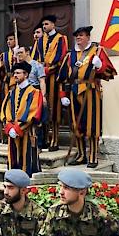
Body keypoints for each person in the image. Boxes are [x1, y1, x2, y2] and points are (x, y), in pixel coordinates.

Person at [59, 26, 114, 167]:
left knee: (92, 125)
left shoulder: (98, 52)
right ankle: (81, 155)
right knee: (76, 125)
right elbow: (63, 77)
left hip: (90, 91)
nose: (78, 38)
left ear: (88, 37)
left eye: (81, 35)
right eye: (77, 36)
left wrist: (100, 65)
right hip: (73, 92)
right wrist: (63, 95)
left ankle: (93, 156)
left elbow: (109, 74)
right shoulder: (70, 55)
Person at [0, 62, 43, 177]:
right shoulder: (11, 93)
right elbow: (4, 111)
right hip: (12, 133)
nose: (15, 75)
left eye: (18, 73)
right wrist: (9, 127)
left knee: (27, 161)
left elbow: (33, 113)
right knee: (13, 161)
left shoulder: (35, 92)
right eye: (14, 73)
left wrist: (18, 128)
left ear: (26, 74)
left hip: (27, 133)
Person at [32, 15, 68, 151]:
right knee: (42, 107)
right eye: (43, 24)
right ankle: (45, 138)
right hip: (42, 77)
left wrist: (48, 69)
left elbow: (61, 57)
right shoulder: (40, 40)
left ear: (53, 24)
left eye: (46, 24)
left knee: (54, 107)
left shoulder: (61, 39)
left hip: (54, 76)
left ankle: (55, 139)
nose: (44, 26)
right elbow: (35, 58)